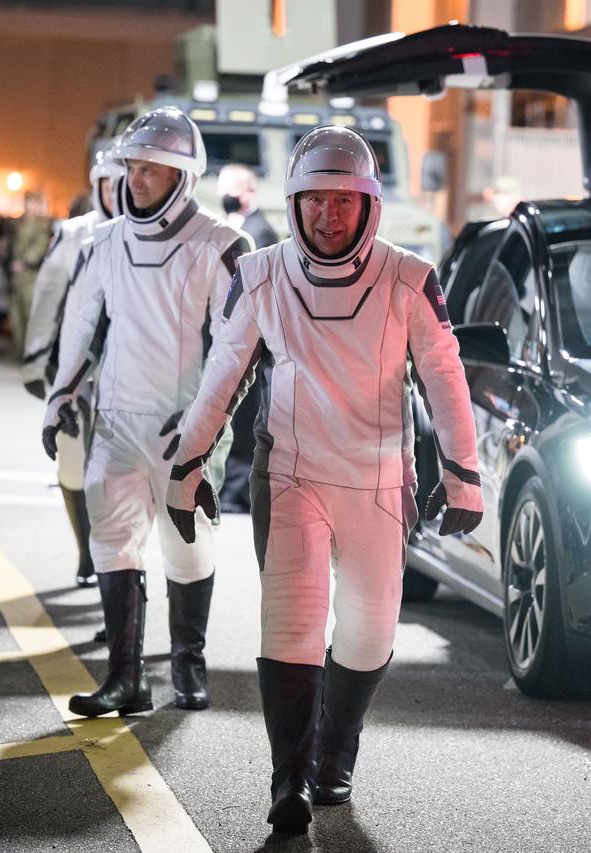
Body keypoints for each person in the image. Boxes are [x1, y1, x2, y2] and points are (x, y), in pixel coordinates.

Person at [162, 125, 483, 834]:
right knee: (293, 624)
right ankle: (290, 779)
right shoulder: (264, 273)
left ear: (368, 204)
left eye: (343, 200)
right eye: (315, 200)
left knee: (368, 634)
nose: (328, 215)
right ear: (295, 201)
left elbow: (445, 375)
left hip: (378, 479)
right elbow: (222, 378)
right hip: (295, 474)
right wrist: (187, 467)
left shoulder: (409, 276)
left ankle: (336, 750)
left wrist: (465, 475)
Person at [43, 107, 250, 715]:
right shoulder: (105, 242)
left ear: (183, 175)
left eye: (152, 169)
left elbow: (236, 346)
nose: (136, 179)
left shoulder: (221, 244)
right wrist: (60, 396)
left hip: (185, 426)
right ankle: (125, 679)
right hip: (116, 420)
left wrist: (203, 424)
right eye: (132, 167)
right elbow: (79, 324)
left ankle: (189, 663)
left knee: (186, 544)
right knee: (113, 543)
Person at [24, 149, 124, 589]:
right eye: (111, 181)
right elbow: (47, 295)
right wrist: (34, 356)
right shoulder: (74, 234)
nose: (121, 190)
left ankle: (114, 563)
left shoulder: (155, 236)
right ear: (97, 184)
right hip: (78, 371)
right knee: (70, 463)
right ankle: (86, 551)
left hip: (130, 374)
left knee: (120, 475)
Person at [215, 163, 278, 513]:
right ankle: (230, 489)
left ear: (250, 192)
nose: (227, 196)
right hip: (237, 335)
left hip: (253, 339)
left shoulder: (260, 232)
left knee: (242, 420)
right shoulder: (240, 227)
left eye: (233, 189)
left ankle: (236, 493)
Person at [9, 191, 54, 358]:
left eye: (32, 203)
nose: (28, 206)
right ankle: (20, 350)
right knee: (16, 313)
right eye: (27, 202)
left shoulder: (42, 224)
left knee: (31, 313)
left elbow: (40, 246)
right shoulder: (21, 222)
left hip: (32, 274)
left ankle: (33, 354)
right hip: (18, 274)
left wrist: (25, 262)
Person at [217, 163, 278, 249]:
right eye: (222, 188)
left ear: (251, 191)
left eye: (233, 188)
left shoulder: (262, 232)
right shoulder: (223, 227)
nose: (225, 193)